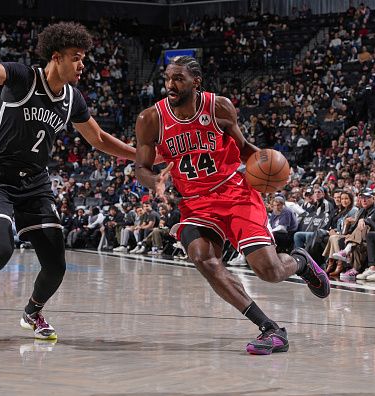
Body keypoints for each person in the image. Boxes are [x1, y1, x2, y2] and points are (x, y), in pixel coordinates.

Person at [0, 22, 140, 339]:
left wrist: (140, 155)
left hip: (35, 185)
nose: (82, 65)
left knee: (56, 265)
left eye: (83, 58)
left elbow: (99, 139)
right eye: (76, 57)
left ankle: (32, 313)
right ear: (56, 57)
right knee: (0, 250)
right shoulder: (24, 77)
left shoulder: (72, 99)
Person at [134, 56, 330, 355]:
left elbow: (244, 150)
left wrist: (270, 166)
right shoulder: (150, 119)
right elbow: (142, 167)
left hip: (235, 194)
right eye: (168, 78)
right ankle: (270, 328)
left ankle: (301, 261)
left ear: (195, 81)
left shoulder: (219, 107)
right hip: (196, 205)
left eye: (178, 79)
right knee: (202, 258)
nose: (170, 85)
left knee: (270, 271)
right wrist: (156, 182)